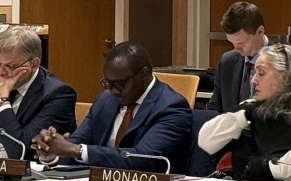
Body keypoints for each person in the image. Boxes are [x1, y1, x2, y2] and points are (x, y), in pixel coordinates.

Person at [34, 42, 192, 172]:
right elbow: (75, 144)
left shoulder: (172, 107)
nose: (114, 91)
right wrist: (54, 152)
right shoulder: (106, 100)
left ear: (144, 74)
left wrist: (77, 150)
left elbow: (142, 159)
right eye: (108, 83)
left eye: (121, 83)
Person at [197, 44, 291, 181]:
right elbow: (206, 141)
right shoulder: (250, 109)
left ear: (285, 77)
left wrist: (271, 167)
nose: (253, 80)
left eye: (261, 73)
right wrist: (240, 116)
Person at [0, 25, 76, 157]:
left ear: (34, 64)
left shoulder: (59, 94)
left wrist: (3, 100)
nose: (1, 72)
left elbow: (21, 149)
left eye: (11, 66)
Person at [209, 2, 269, 113]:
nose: (236, 49)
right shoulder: (227, 61)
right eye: (232, 42)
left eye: (242, 43)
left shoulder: (284, 61)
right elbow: (215, 109)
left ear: (260, 31)